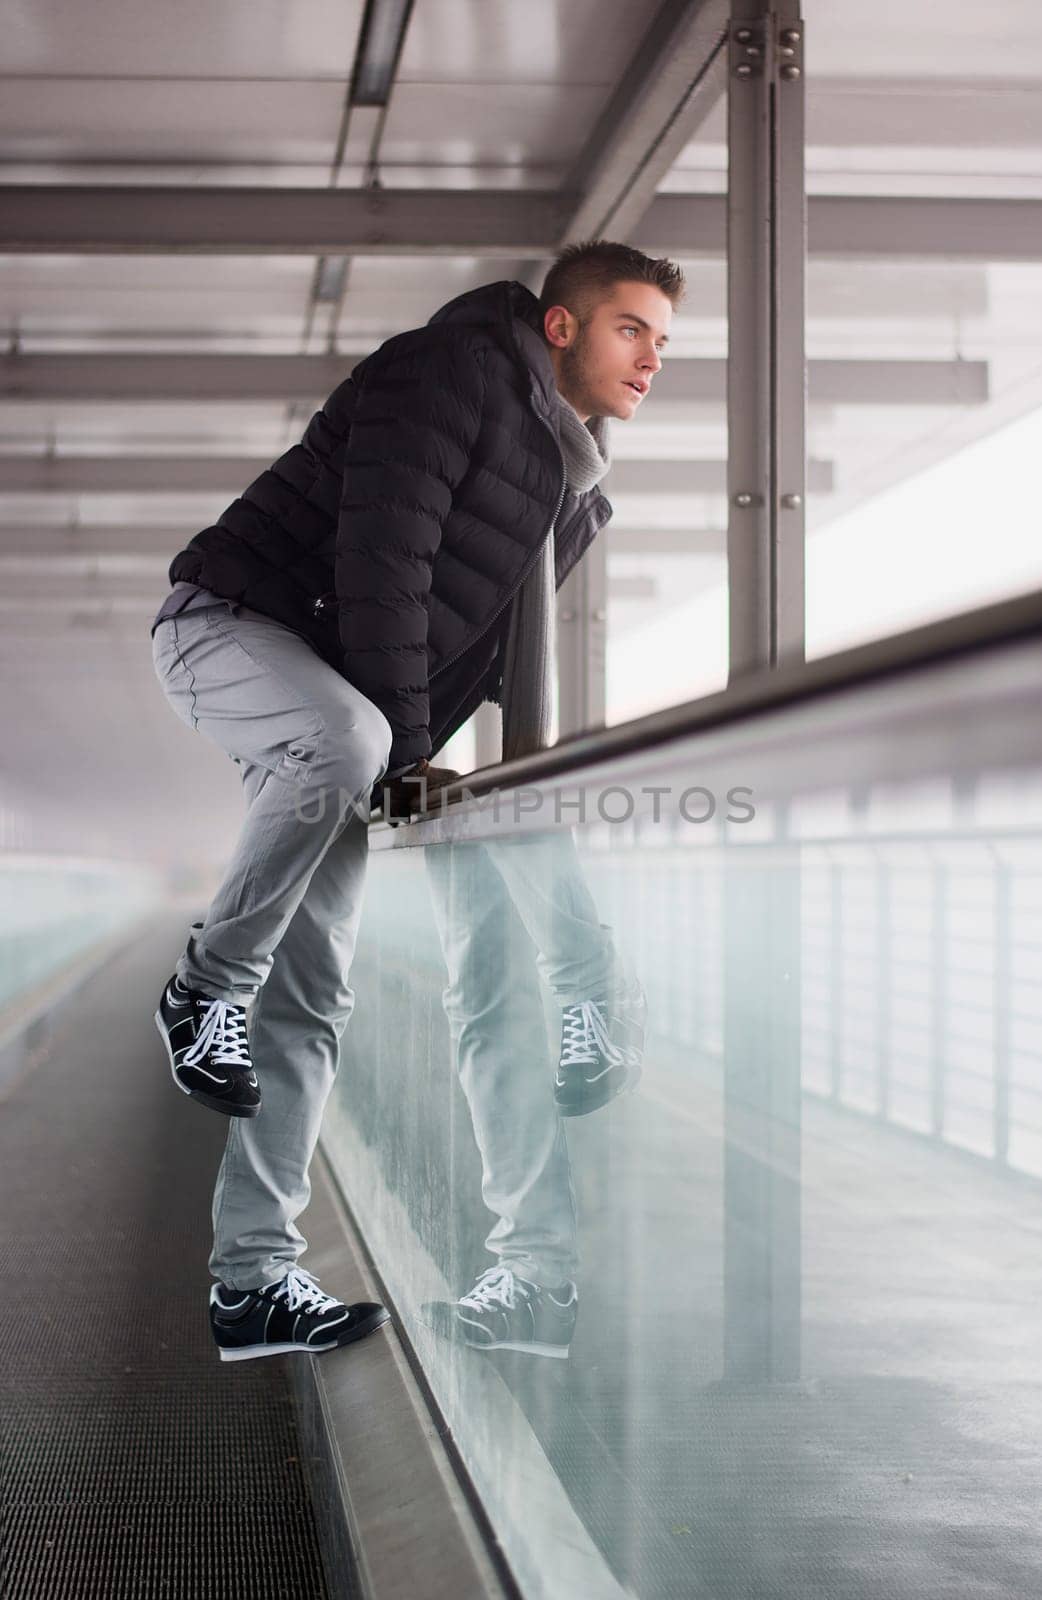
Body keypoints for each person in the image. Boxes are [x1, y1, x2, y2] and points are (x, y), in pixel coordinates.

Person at [150, 239, 683, 1363]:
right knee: (348, 743)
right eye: (632, 329)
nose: (651, 360)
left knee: (318, 986)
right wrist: (400, 757)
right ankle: (204, 986)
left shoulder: (576, 496)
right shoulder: (447, 373)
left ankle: (253, 1285)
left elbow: (499, 682)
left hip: (348, 720)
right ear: (561, 327)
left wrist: (454, 791)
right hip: (235, 632)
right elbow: (381, 561)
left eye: (663, 341)